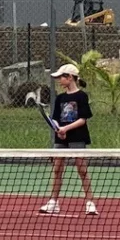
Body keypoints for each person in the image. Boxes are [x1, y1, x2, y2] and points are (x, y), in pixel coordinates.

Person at [39, 63, 97, 216]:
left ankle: (90, 203)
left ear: (70, 78)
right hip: (61, 138)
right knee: (57, 169)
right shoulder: (60, 98)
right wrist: (59, 129)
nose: (59, 81)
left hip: (78, 136)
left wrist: (66, 129)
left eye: (61, 77)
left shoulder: (81, 96)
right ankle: (53, 202)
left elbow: (83, 119)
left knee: (82, 169)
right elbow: (56, 119)